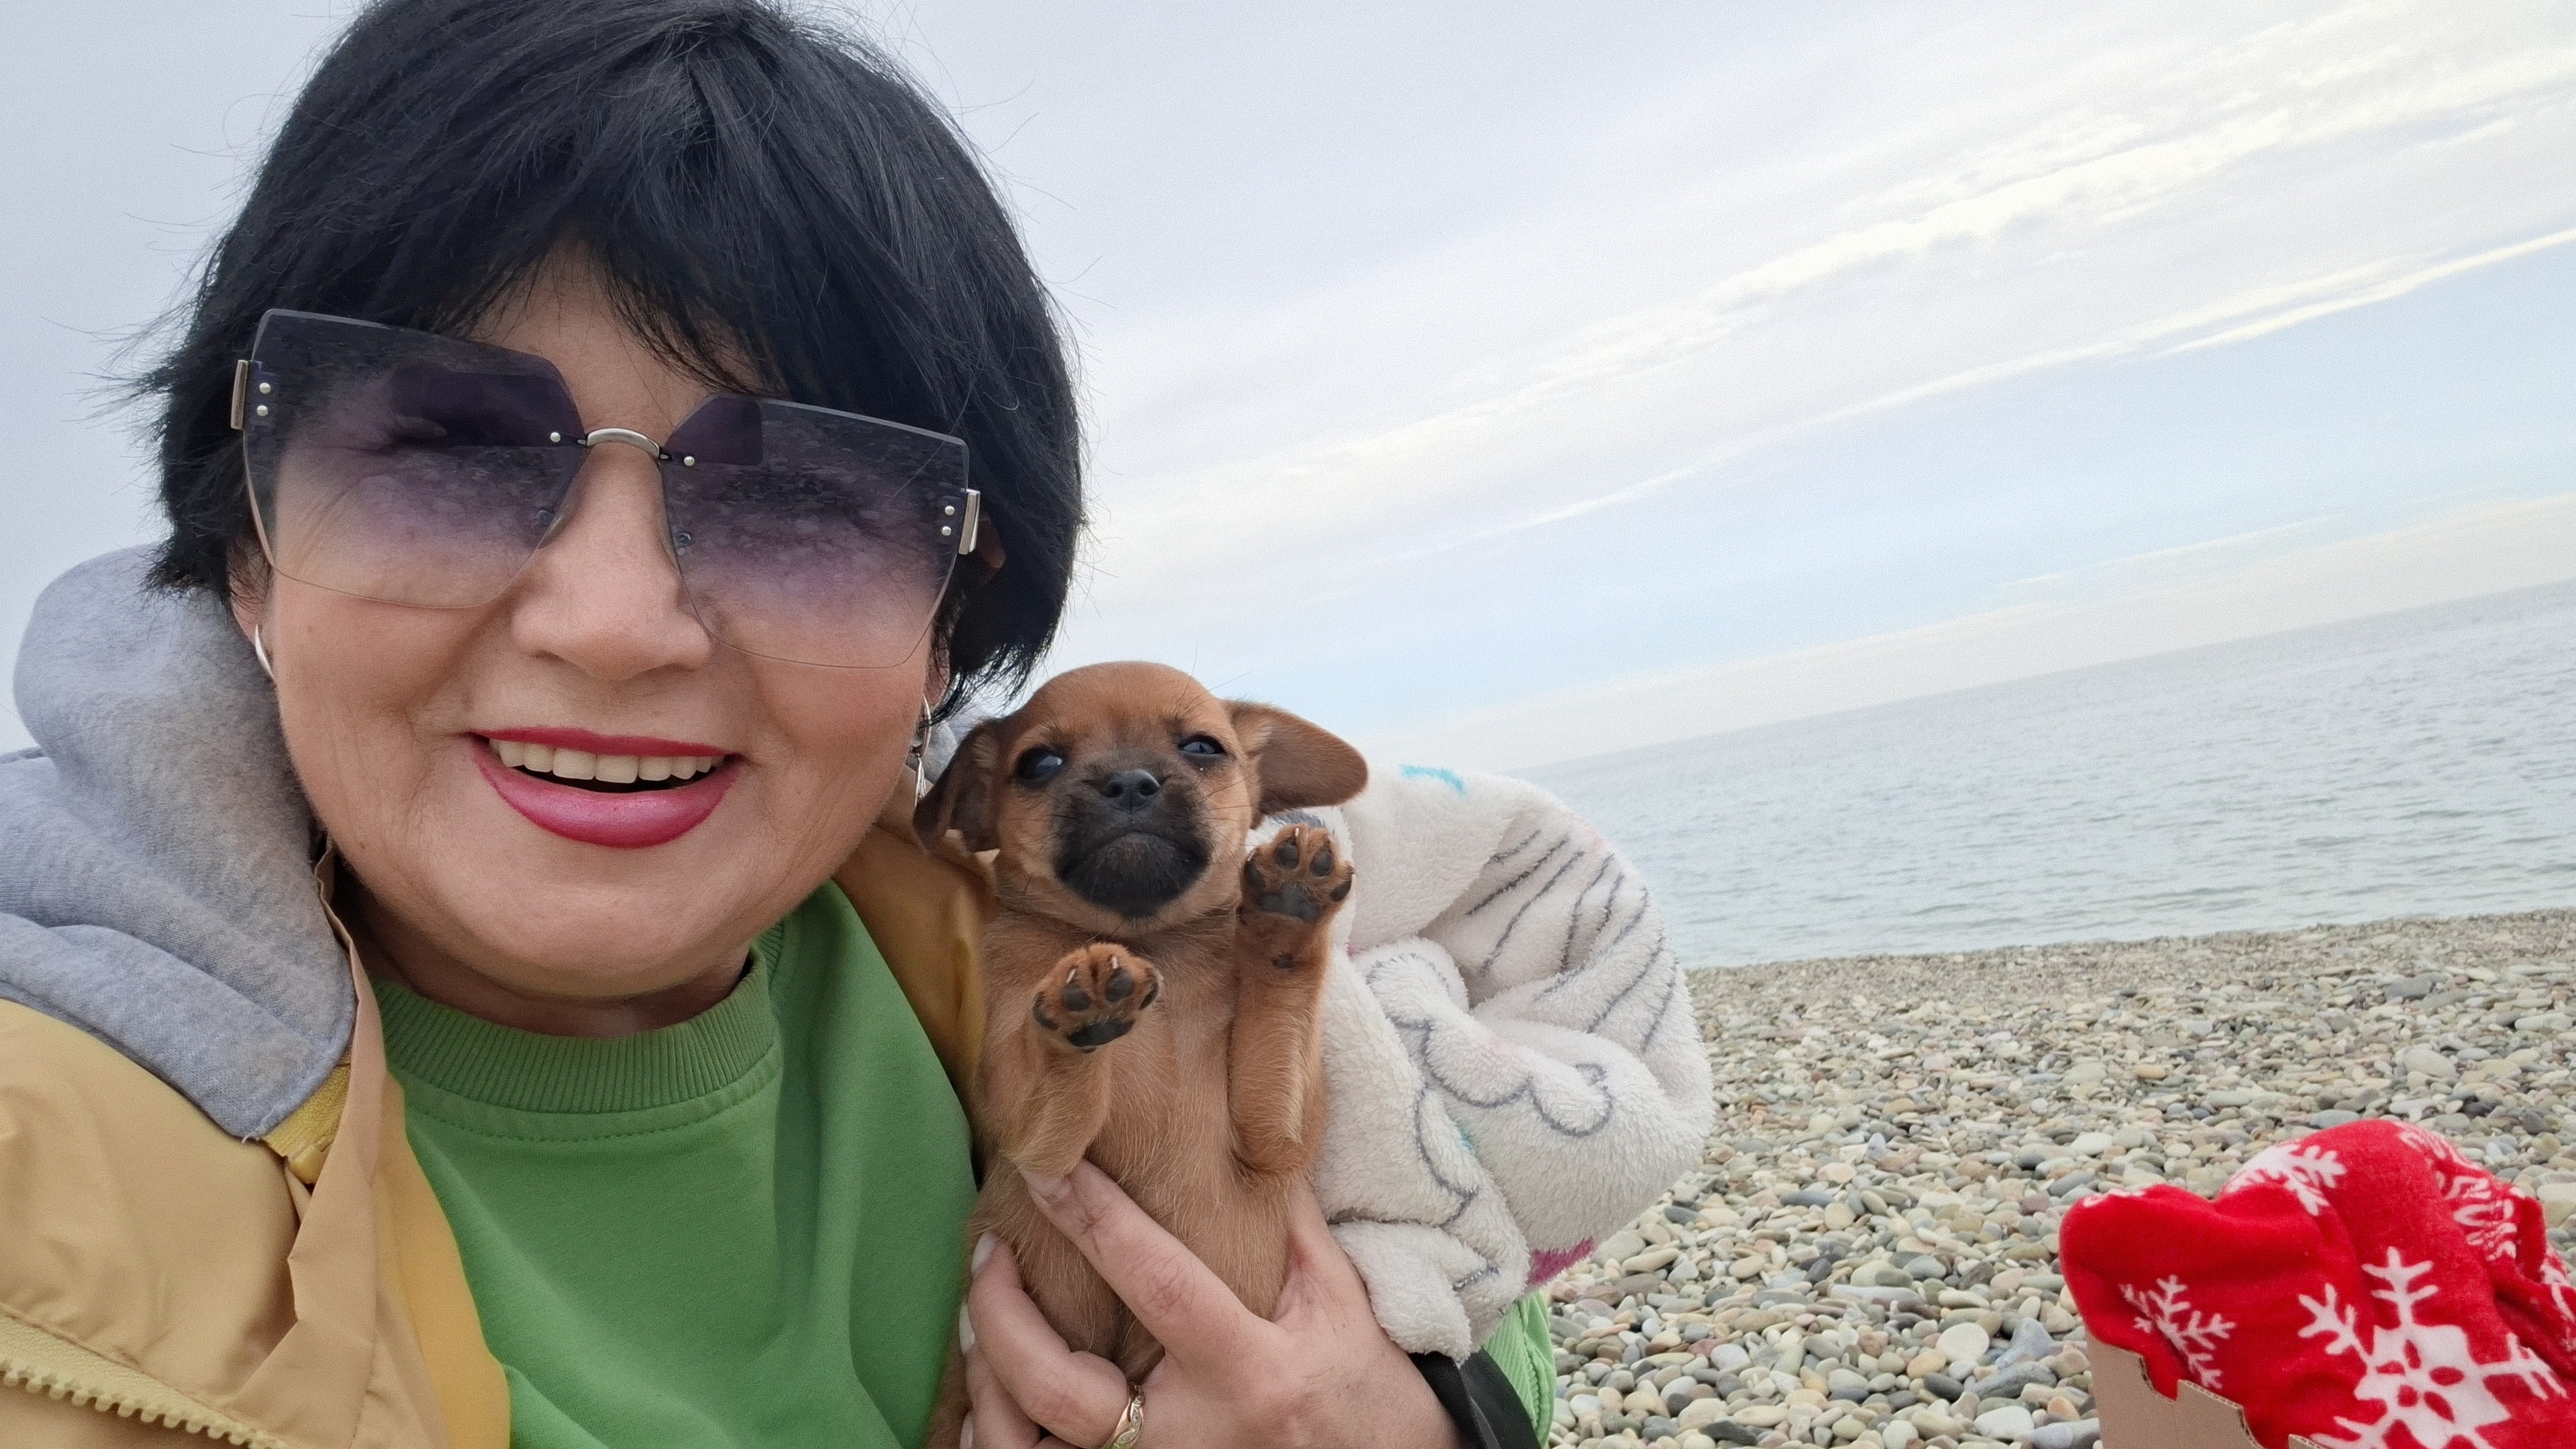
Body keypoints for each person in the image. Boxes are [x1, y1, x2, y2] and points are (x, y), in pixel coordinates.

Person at [0, 4, 1709, 1447]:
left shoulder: (1002, 934)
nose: (612, 622)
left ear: (950, 618)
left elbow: (1457, 1265)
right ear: (247, 538)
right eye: (449, 450)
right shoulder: (47, 1179)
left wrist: (1430, 1414)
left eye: (799, 492)